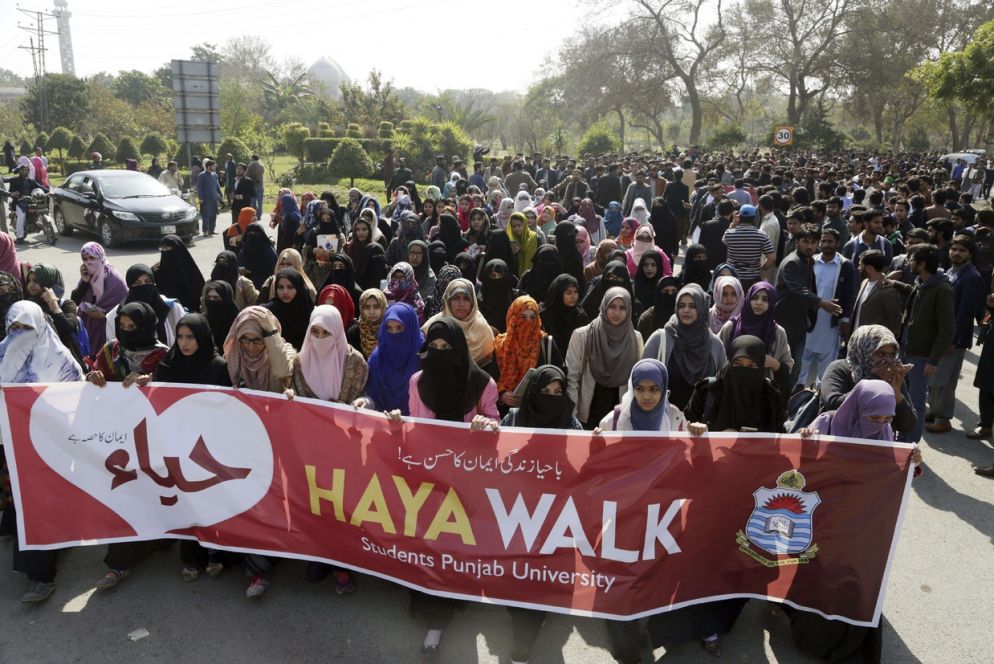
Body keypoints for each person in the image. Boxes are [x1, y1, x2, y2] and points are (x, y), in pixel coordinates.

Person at [401, 316, 499, 657]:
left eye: (447, 348)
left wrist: (487, 425)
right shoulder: (417, 382)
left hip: (466, 483)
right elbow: (413, 429)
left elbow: (496, 426)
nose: (440, 354)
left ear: (460, 350)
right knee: (430, 547)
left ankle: (450, 602)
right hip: (428, 481)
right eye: (435, 348)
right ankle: (435, 621)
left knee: (454, 547)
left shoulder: (482, 384)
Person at [0, 300, 85, 603]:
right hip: (14, 449)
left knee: (45, 506)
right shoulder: (1, 354)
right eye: (15, 328)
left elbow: (78, 402)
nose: (20, 334)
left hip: (54, 448)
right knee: (27, 506)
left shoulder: (60, 361)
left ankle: (41, 576)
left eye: (27, 328)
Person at [925, 235, 984, 434]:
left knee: (944, 380)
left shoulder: (972, 277)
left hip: (953, 339)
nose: (956, 253)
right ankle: (934, 411)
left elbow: (964, 313)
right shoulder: (950, 270)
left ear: (970, 254)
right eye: (954, 249)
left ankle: (943, 418)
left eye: (962, 250)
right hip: (940, 335)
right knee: (934, 376)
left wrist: (952, 339)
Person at [896, 243, 955, 443]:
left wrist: (933, 360)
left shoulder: (942, 289)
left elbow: (947, 330)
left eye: (911, 260)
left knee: (916, 402)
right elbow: (914, 293)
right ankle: (903, 435)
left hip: (921, 357)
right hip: (907, 350)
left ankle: (910, 444)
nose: (908, 263)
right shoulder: (922, 283)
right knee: (904, 398)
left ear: (921, 264)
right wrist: (894, 284)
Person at [818, 324, 917, 438]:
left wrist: (896, 393)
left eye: (891, 355)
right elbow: (833, 404)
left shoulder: (891, 378)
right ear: (863, 349)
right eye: (881, 354)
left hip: (876, 446)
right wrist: (874, 379)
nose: (887, 361)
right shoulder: (840, 369)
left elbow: (907, 426)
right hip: (837, 440)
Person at [776, 223, 842, 389]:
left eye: (813, 242)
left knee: (796, 368)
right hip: (787, 322)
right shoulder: (793, 262)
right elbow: (799, 289)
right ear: (798, 242)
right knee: (788, 367)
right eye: (806, 242)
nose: (810, 246)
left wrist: (807, 313)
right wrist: (821, 303)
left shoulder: (807, 261)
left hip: (799, 321)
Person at [566, 287, 643, 429]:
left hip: (621, 415)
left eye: (622, 308)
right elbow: (572, 378)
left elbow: (637, 381)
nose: (616, 313)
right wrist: (573, 416)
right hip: (588, 412)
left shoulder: (635, 338)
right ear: (604, 306)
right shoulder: (582, 335)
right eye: (612, 306)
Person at [642, 283, 727, 410]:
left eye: (693, 306)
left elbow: (723, 385)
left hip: (701, 424)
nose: (686, 310)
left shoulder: (715, 344)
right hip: (664, 420)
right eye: (681, 306)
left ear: (702, 308)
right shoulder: (660, 339)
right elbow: (640, 378)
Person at [685, 334, 785, 434]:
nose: (744, 371)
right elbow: (684, 425)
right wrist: (696, 427)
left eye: (751, 365)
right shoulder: (707, 390)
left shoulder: (771, 395)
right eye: (737, 364)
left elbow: (782, 435)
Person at [797, 229, 856, 386]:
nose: (826, 245)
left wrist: (844, 319)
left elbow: (849, 295)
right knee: (803, 360)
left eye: (830, 241)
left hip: (830, 322)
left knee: (826, 365)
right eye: (823, 241)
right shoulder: (811, 261)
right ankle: (799, 394)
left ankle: (821, 398)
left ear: (837, 243)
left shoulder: (845, 265)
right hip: (810, 320)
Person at [718, 282, 793, 397]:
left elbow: (787, 367)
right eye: (755, 298)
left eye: (765, 299)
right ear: (748, 299)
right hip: (731, 391)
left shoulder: (778, 333)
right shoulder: (731, 327)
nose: (759, 303)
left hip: (762, 395)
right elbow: (716, 357)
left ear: (772, 303)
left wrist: (774, 363)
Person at [289, 304, 368, 407]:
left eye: (326, 332)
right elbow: (295, 397)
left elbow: (364, 396)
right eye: (315, 331)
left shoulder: (356, 362)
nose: (320, 337)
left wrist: (363, 402)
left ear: (337, 331)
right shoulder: (299, 362)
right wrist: (290, 395)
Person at [354, 302, 424, 415]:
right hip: (383, 427)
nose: (394, 333)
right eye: (389, 328)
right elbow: (372, 396)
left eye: (400, 328)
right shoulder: (377, 359)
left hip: (415, 427)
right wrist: (365, 402)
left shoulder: (423, 356)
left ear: (411, 328)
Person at [495, 295, 563, 410]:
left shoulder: (546, 343)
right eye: (523, 317)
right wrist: (502, 395)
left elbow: (560, 372)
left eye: (532, 317)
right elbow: (492, 378)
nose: (528, 322)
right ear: (513, 318)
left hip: (540, 408)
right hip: (508, 411)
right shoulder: (501, 345)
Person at [421, 278, 496, 372]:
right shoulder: (434, 325)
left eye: (466, 298)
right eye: (456, 298)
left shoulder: (482, 328)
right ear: (448, 301)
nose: (461, 304)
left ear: (473, 302)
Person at [598, 358, 688, 432]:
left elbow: (687, 451)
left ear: (663, 390)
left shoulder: (675, 419)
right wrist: (597, 442)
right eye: (639, 389)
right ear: (632, 389)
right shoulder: (613, 420)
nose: (646, 397)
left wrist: (696, 433)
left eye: (654, 389)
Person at [105, 265, 185, 348]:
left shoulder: (171, 308)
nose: (143, 286)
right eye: (137, 283)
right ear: (129, 286)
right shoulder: (115, 315)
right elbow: (114, 348)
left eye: (148, 281)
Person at [24, 264, 87, 366]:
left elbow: (67, 327)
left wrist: (53, 304)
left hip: (64, 363)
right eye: (29, 281)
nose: (30, 285)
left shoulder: (66, 304)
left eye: (36, 281)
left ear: (49, 282)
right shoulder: (27, 304)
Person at [72, 242, 129, 352]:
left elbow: (124, 305)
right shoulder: (88, 276)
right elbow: (75, 301)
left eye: (92, 257)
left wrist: (105, 315)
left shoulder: (114, 278)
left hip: (108, 329)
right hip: (89, 327)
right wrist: (84, 282)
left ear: (100, 257)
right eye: (85, 259)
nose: (88, 262)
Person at [852, 250, 903, 338]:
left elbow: (895, 321)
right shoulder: (864, 282)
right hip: (858, 340)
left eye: (860, 265)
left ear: (869, 268)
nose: (858, 268)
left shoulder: (888, 291)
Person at [722, 204, 775, 290]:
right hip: (753, 279)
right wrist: (761, 269)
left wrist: (733, 223)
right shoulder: (762, 236)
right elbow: (771, 258)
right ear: (754, 218)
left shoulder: (729, 234)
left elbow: (724, 240)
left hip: (733, 278)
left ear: (740, 217)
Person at [262, 268, 314, 351]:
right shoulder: (267, 312)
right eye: (280, 287)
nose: (285, 292)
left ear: (298, 288)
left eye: (290, 287)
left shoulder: (310, 312)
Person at [153, 235, 205, 312]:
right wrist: (151, 273)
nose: (165, 250)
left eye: (168, 248)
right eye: (162, 248)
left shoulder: (190, 269)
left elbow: (198, 293)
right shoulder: (158, 270)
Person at [347, 288, 387, 359]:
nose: (372, 312)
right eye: (367, 307)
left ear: (383, 307)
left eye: (376, 307)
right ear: (361, 308)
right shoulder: (353, 333)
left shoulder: (390, 329)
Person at [637, 275, 679, 341]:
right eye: (665, 292)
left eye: (674, 292)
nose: (670, 295)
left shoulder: (681, 316)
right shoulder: (647, 318)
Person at [479, 259, 516, 332]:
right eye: (493, 276)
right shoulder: (478, 301)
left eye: (500, 275)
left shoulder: (517, 299)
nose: (497, 279)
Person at [238, 224, 278, 290]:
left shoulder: (270, 252)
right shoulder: (243, 251)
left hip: (265, 288)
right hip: (245, 289)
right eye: (250, 233)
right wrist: (240, 270)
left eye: (256, 233)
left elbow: (274, 271)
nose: (252, 235)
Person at [196, 159, 222, 236]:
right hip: (206, 199)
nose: (215, 167)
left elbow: (217, 186)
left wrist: (220, 195)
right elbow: (199, 188)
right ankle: (205, 231)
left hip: (214, 198)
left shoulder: (214, 175)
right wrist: (200, 198)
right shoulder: (201, 175)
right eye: (213, 166)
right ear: (208, 166)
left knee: (213, 215)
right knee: (206, 215)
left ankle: (212, 230)